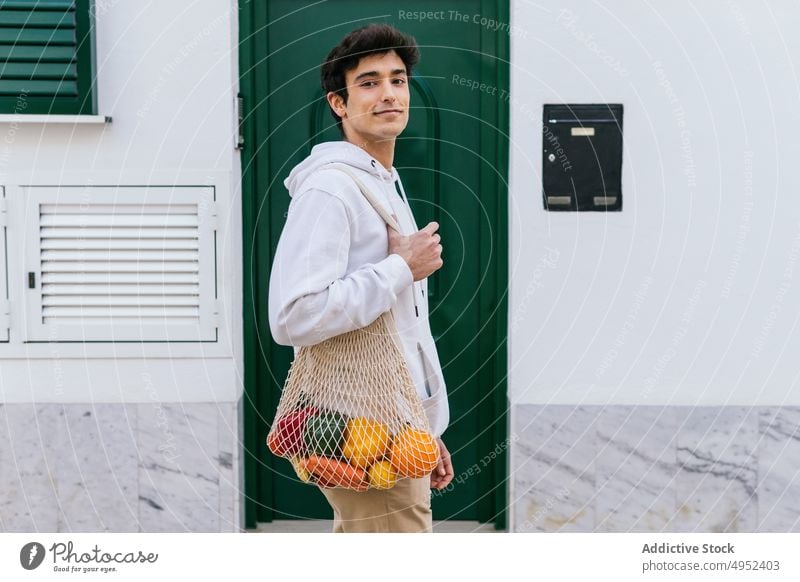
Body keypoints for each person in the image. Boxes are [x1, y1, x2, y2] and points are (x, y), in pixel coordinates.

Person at [267, 23, 454, 533]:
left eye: (398, 79)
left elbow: (403, 330)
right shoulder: (330, 191)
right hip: (361, 429)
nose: (389, 92)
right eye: (369, 82)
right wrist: (400, 268)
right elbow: (293, 316)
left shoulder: (382, 183)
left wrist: (426, 426)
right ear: (339, 104)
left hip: (393, 428)